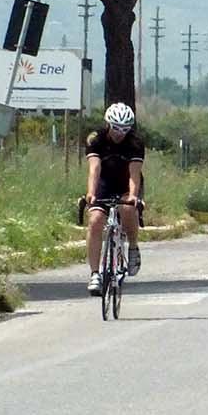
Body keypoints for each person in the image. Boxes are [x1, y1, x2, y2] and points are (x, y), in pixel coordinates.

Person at [85, 102, 145, 296]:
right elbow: (94, 169)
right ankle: (95, 274)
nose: (120, 133)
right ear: (108, 124)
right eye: (117, 128)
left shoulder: (135, 143)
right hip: (103, 183)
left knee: (127, 209)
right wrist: (91, 193)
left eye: (125, 129)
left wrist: (134, 196)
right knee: (95, 221)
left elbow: (134, 174)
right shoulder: (96, 139)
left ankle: (133, 247)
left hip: (125, 184)